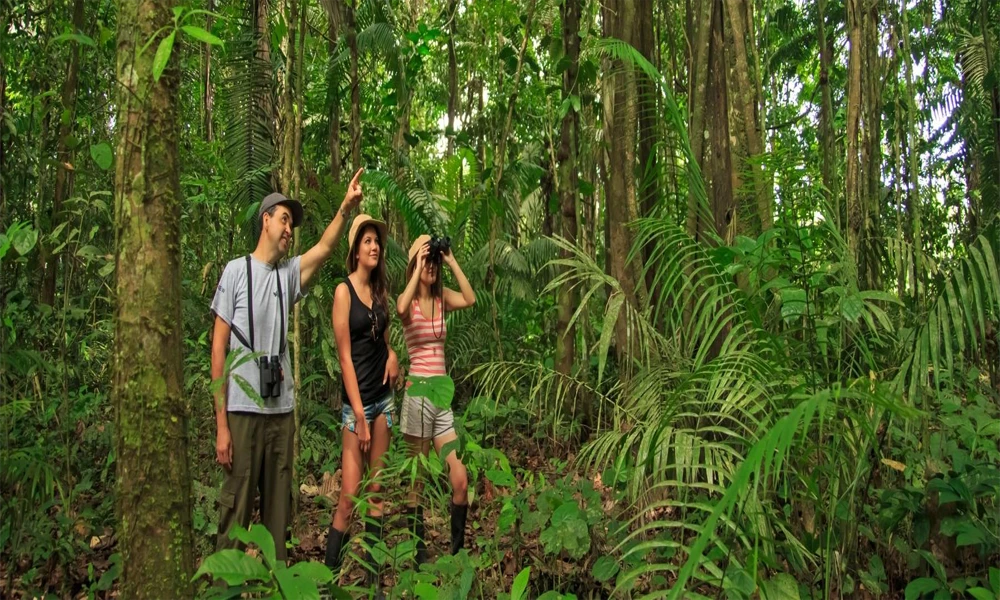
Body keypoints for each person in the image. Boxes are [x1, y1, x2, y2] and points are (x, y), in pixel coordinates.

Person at [210, 169, 365, 562]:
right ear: (265, 220)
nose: (289, 230)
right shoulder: (235, 271)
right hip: (243, 412)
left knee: (279, 514)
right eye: (283, 220)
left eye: (292, 225)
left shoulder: (287, 275)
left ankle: (276, 581)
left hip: (280, 412)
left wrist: (345, 208)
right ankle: (222, 584)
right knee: (236, 508)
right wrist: (221, 426)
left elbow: (325, 248)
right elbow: (218, 348)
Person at [324, 214, 401, 587]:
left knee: (376, 492)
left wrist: (392, 354)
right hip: (358, 407)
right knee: (349, 496)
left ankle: (373, 584)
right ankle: (328, 583)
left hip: (384, 404)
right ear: (355, 250)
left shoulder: (380, 292)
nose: (374, 246)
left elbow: (380, 339)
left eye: (377, 242)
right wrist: (357, 413)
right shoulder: (344, 292)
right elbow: (344, 357)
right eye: (367, 241)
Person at [395, 235, 476, 563]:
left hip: (441, 399)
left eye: (434, 261)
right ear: (415, 264)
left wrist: (451, 259)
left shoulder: (443, 297)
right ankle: (418, 553)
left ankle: (456, 555)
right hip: (417, 397)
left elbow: (470, 298)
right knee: (419, 478)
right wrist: (418, 263)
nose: (431, 266)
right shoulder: (409, 302)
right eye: (425, 260)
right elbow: (399, 307)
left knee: (460, 478)